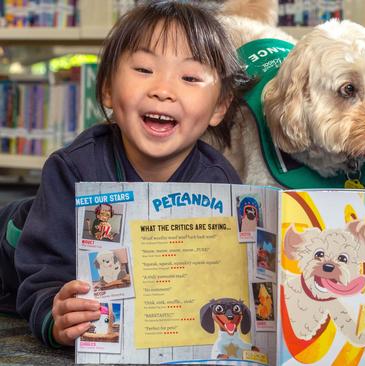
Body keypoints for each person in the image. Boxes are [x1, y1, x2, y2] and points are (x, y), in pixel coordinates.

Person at [0, 0, 248, 348]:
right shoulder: (73, 169)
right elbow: (43, 273)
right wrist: (54, 316)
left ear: (220, 107)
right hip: (17, 242)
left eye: (190, 77)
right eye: (144, 69)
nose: (163, 89)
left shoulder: (219, 184)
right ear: (106, 90)